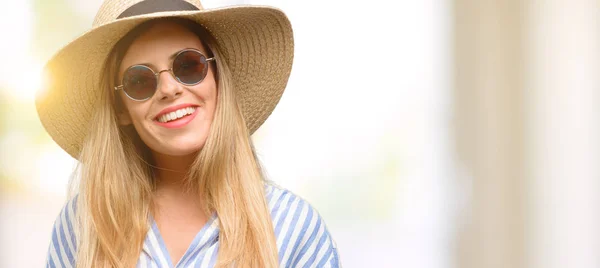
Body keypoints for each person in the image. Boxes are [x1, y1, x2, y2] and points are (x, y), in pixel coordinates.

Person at [38, 0, 340, 267]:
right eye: (140, 81)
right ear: (121, 109)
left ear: (219, 79)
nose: (170, 89)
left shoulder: (294, 227)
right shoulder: (81, 228)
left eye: (189, 65)